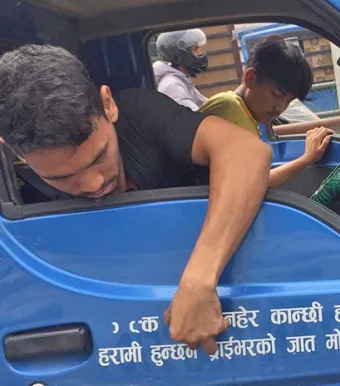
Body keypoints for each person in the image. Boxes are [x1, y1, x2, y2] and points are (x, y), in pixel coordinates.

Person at [0, 44, 272, 355]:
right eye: (62, 178)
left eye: (99, 156)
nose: (94, 184)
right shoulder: (16, 195)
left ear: (108, 105)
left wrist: (199, 282)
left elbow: (247, 152)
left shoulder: (139, 115)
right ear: (14, 153)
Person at [200, 35, 334, 188]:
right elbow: (253, 185)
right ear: (251, 78)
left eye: (288, 101)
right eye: (276, 95)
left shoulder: (244, 113)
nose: (280, 108)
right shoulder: (228, 108)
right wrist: (307, 158)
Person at [153, 28, 209, 111]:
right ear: (181, 54)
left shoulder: (182, 80)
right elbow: (193, 117)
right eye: (195, 49)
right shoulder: (173, 86)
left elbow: (207, 105)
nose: (200, 53)